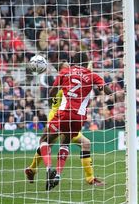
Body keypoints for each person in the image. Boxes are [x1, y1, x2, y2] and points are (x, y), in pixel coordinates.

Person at [33, 53, 113, 190]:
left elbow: (51, 93)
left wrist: (61, 89)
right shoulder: (92, 75)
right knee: (66, 143)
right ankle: (58, 174)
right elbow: (109, 92)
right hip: (79, 117)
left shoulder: (65, 72)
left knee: (45, 140)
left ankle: (48, 168)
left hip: (63, 114)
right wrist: (100, 86)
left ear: (72, 62)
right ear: (87, 62)